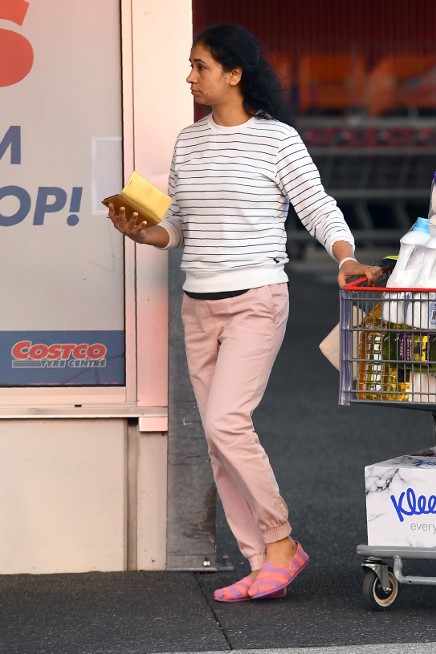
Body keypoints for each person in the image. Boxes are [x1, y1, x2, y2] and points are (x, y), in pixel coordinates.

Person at [106, 24, 382, 603]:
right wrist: (141, 233)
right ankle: (260, 563)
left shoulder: (277, 140)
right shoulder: (189, 141)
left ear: (234, 74)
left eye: (200, 66)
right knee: (216, 437)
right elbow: (178, 226)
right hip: (197, 304)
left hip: (257, 297)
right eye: (190, 65)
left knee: (228, 422)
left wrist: (346, 256)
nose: (190, 76)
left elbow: (317, 205)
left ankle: (281, 543)